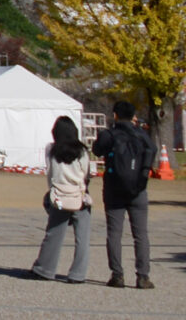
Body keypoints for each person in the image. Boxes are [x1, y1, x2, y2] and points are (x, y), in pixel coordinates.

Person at [92, 100, 157, 289]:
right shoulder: (141, 135)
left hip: (114, 189)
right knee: (141, 234)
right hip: (138, 188)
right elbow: (152, 149)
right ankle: (143, 276)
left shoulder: (109, 134)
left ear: (115, 115)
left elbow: (97, 150)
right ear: (134, 116)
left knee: (114, 232)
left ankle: (117, 274)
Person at [29, 116, 92, 283]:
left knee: (53, 234)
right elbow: (86, 173)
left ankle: (45, 269)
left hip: (59, 196)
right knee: (82, 239)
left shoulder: (51, 149)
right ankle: (78, 274)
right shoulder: (83, 151)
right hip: (79, 196)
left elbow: (50, 172)